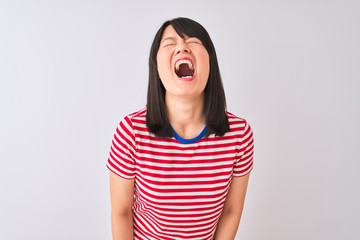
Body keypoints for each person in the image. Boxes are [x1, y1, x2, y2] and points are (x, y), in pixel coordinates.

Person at [107, 17, 254, 240]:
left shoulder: (239, 134)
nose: (182, 47)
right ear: (156, 69)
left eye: (193, 42)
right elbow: (121, 213)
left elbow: (232, 211)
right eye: (169, 43)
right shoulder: (131, 131)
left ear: (210, 64)